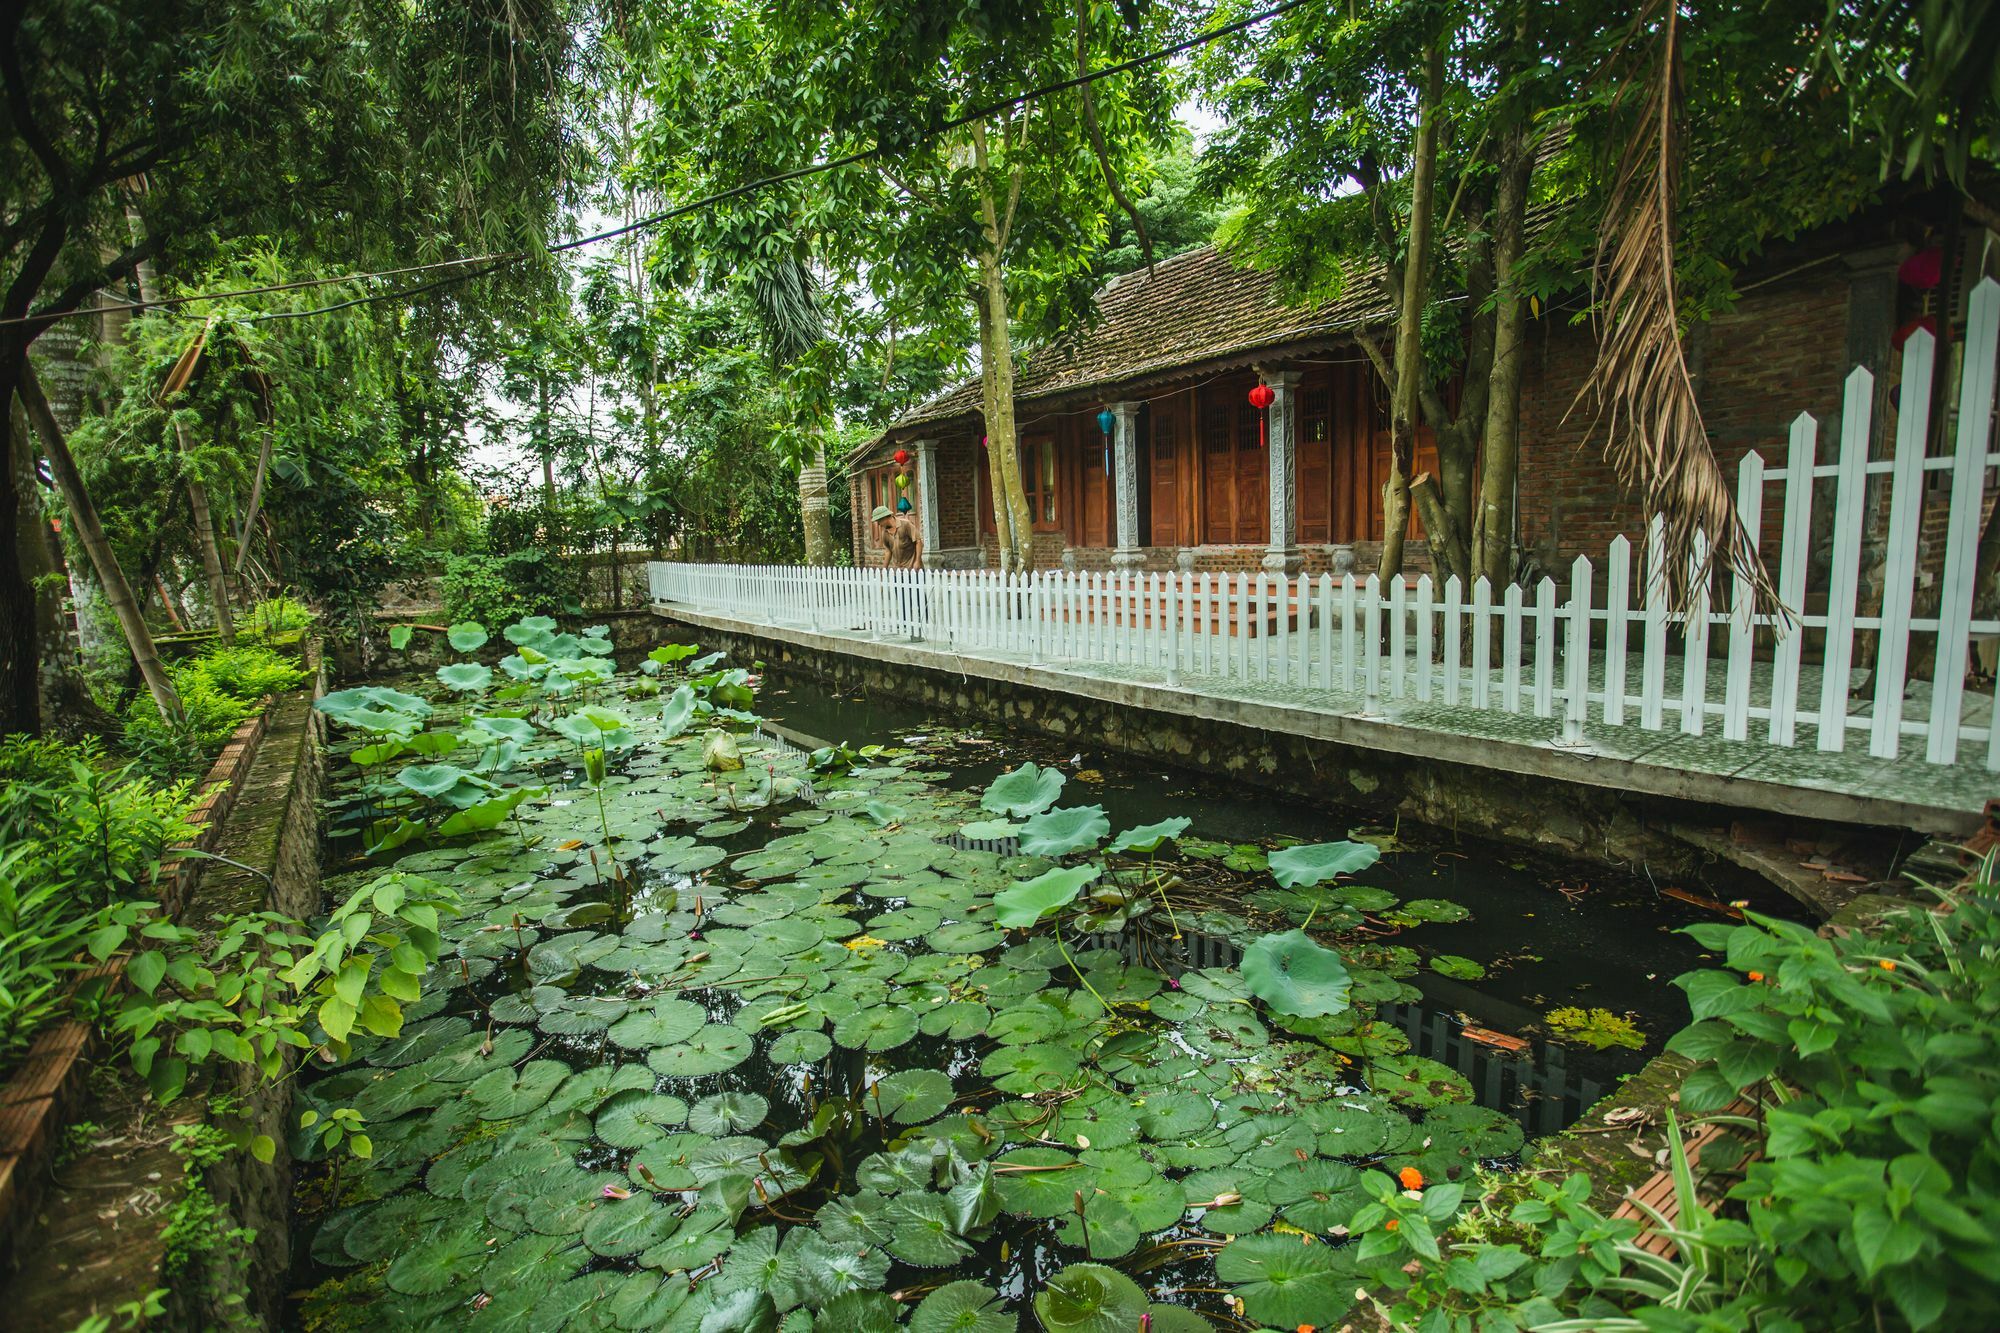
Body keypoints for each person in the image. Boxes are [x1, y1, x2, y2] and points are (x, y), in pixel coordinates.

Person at [872, 504, 924, 637]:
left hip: (913, 567)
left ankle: (924, 621)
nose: (878, 524)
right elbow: (888, 551)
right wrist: (884, 569)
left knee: (917, 596)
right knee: (902, 597)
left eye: (879, 521)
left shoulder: (905, 525)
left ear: (886, 517)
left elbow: (918, 541)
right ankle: (907, 622)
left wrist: (917, 561)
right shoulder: (885, 533)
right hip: (898, 570)